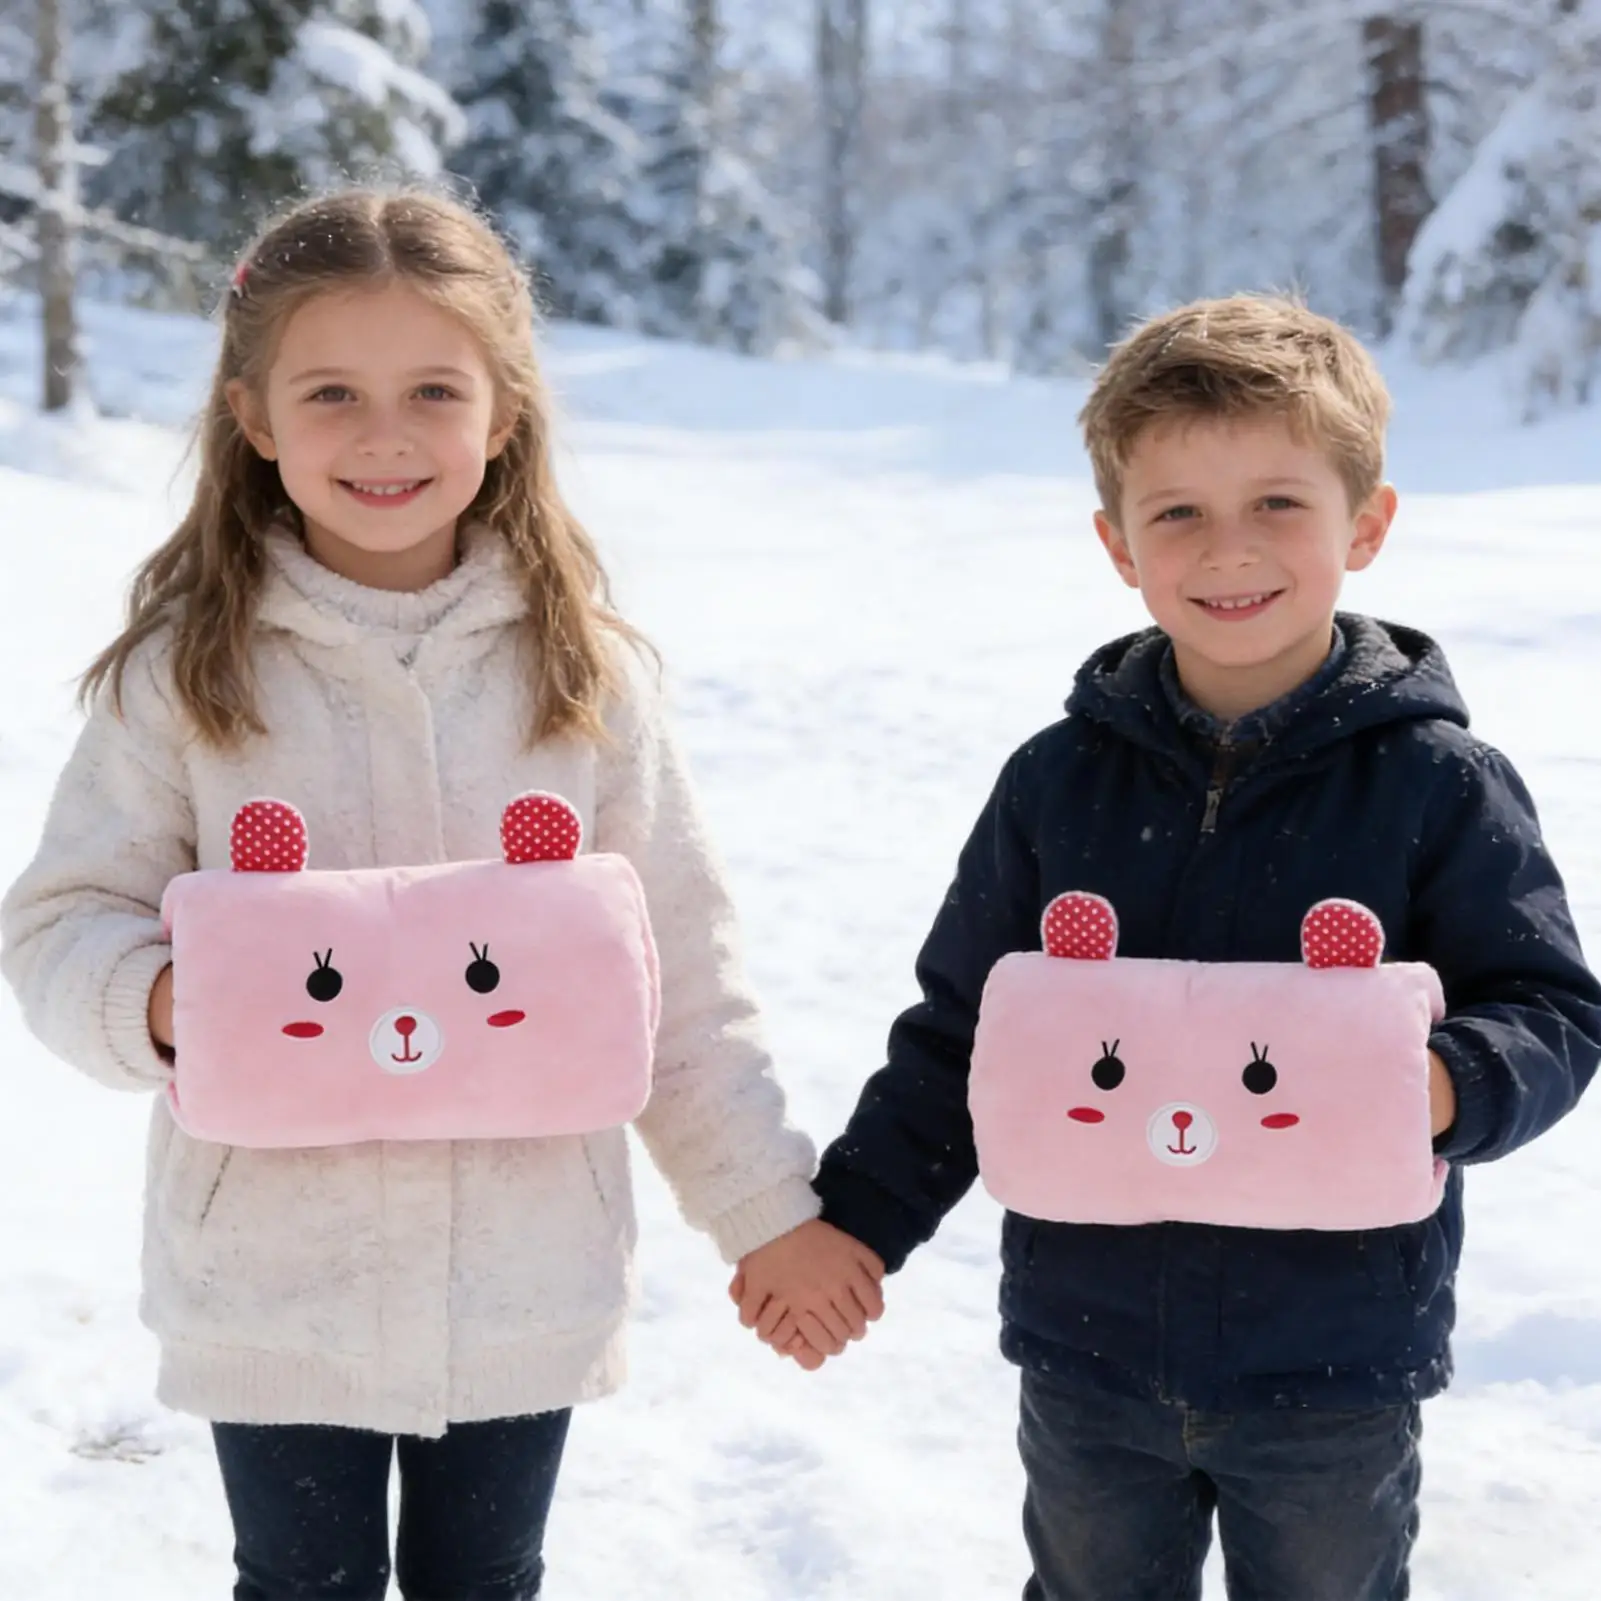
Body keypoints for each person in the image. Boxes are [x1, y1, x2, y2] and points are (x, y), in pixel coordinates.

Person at [0, 184, 883, 1601]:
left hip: (520, 1271)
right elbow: (59, 923)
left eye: (432, 390)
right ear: (252, 415)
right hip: (274, 1273)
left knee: (486, 1580)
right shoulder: (189, 674)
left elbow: (675, 981)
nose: (384, 435)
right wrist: (164, 1000)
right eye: (331, 394)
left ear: (505, 408)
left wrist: (765, 1210)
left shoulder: (584, 677)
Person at [733, 294, 1601, 1600]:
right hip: (1089, 1347)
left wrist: (1445, 1082)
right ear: (1117, 544)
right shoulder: (1057, 785)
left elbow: (1549, 1007)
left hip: (1334, 1357)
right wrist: (855, 1224)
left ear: (1366, 525)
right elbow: (966, 1034)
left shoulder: (1437, 785)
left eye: (1278, 504)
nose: (1228, 548)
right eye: (1179, 512)